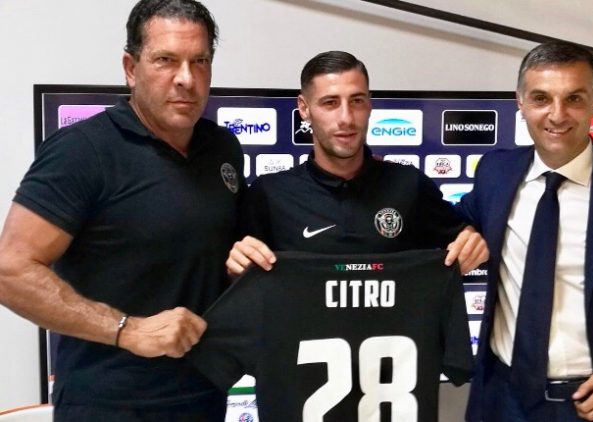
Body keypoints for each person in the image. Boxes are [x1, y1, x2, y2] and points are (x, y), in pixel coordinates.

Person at [0, 0, 245, 420]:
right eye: (166, 60)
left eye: (200, 61)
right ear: (131, 68)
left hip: (203, 397)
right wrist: (127, 330)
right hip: (108, 404)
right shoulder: (84, 150)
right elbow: (10, 270)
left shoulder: (222, 147)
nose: (186, 78)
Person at [459, 40, 593, 421]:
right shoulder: (495, 172)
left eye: (574, 98)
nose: (557, 115)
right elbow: (447, 221)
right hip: (500, 400)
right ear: (520, 101)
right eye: (541, 98)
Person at [226, 50, 488, 275]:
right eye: (330, 103)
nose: (346, 118)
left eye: (357, 101)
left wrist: (471, 244)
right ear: (304, 109)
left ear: (369, 104)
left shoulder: (410, 184)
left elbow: (462, 241)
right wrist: (236, 269)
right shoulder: (269, 194)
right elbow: (242, 283)